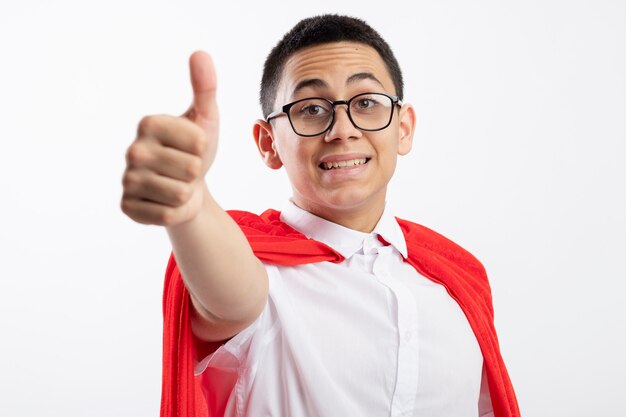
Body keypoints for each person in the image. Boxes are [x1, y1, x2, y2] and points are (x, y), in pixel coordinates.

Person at [121, 14, 520, 417]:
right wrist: (191, 205)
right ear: (268, 143)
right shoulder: (255, 271)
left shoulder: (458, 277)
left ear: (403, 128)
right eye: (311, 108)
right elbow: (226, 302)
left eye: (366, 103)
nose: (342, 129)